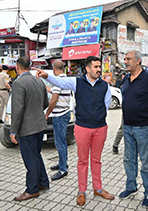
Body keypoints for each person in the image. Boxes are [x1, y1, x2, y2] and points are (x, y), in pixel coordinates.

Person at [35, 56, 114, 206]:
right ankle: (82, 191)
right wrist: (47, 76)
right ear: (88, 69)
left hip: (100, 128)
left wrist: (98, 118)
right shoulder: (77, 82)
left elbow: (106, 105)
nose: (99, 70)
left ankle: (98, 188)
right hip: (82, 128)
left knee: (96, 160)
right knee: (82, 161)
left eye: (99, 67)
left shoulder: (105, 86)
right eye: (96, 67)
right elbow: (60, 82)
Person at [119, 50, 148, 207]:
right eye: (125, 59)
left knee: (145, 161)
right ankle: (131, 187)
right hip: (127, 126)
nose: (126, 61)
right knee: (128, 159)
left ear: (138, 61)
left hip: (143, 127)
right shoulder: (126, 78)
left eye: (129, 59)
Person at [10, 57, 50, 201]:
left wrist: (13, 130)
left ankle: (32, 189)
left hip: (27, 128)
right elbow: (46, 102)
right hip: (40, 125)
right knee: (36, 154)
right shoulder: (39, 81)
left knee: (30, 158)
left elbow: (17, 109)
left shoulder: (19, 83)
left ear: (17, 67)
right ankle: (43, 182)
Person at [45, 60, 71, 181]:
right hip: (65, 113)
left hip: (59, 116)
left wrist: (47, 113)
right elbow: (57, 92)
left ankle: (62, 170)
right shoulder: (65, 80)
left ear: (54, 69)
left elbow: (54, 99)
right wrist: (47, 88)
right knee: (62, 141)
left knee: (59, 143)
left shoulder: (57, 82)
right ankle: (63, 163)